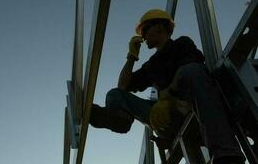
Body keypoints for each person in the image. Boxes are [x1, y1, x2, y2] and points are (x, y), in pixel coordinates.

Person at [89, 9, 246, 164]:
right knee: (115, 94)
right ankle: (120, 120)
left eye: (145, 29)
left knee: (191, 71)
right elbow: (123, 87)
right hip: (167, 117)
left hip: (193, 105)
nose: (142, 36)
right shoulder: (151, 65)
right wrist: (131, 56)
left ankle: (226, 154)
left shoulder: (182, 44)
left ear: (160, 27)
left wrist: (166, 95)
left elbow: (192, 67)